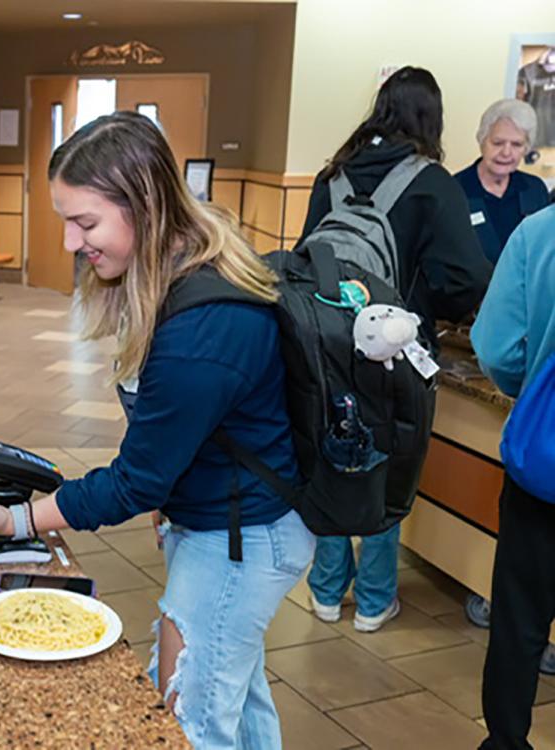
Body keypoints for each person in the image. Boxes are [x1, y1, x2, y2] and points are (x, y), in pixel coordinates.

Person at [0, 112, 315, 749]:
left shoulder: (202, 327)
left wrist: (20, 522)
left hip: (241, 540)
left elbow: (136, 480)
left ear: (144, 204)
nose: (70, 241)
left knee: (188, 723)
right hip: (229, 519)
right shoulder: (181, 270)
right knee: (239, 699)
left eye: (85, 222)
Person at [298, 66, 491, 632]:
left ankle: (327, 590)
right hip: (399, 349)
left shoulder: (331, 175)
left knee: (334, 449)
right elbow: (466, 277)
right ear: (431, 118)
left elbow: (306, 260)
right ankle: (376, 599)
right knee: (390, 462)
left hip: (327, 344)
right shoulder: (432, 182)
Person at [471, 204, 555, 750]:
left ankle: (506, 741)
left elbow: (497, 349)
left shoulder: (539, 232)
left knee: (518, 623)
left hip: (545, 471)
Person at [454, 99, 549, 264]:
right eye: (498, 143)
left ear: (526, 148)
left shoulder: (535, 189)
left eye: (516, 144)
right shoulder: (454, 189)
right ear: (482, 140)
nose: (506, 152)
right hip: (474, 289)